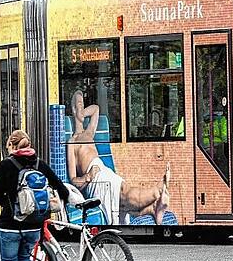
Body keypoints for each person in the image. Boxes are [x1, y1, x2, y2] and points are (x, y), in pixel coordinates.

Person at [67, 90, 170, 225]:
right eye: (78, 105)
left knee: (123, 199)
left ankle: (153, 209)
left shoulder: (89, 133)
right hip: (94, 179)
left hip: (104, 171)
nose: (82, 108)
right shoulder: (72, 142)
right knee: (123, 192)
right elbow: (73, 180)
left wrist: (83, 111)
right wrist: (87, 177)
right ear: (74, 109)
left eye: (83, 105)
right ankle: (156, 191)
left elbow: (96, 109)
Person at [0, 130, 69, 261]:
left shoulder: (5, 165)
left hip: (10, 225)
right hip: (34, 225)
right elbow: (61, 189)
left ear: (11, 145)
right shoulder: (40, 164)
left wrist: (11, 207)